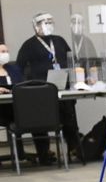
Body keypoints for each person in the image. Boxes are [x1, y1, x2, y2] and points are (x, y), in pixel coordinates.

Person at [11, 12, 82, 164]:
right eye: (44, 22)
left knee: (69, 117)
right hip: (40, 90)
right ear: (36, 26)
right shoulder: (28, 45)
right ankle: (43, 152)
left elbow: (71, 60)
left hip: (62, 87)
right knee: (39, 122)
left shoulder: (59, 41)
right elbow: (19, 68)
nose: (48, 24)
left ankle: (74, 147)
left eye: (50, 21)